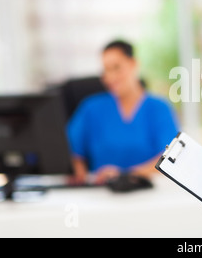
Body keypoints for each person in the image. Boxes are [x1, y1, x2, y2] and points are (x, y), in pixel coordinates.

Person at [67, 40, 179, 185]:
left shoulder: (159, 108)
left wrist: (125, 176)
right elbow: (72, 150)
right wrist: (82, 178)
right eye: (105, 71)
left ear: (133, 64)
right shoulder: (91, 108)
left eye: (116, 68)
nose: (110, 77)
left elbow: (169, 159)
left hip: (148, 193)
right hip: (101, 195)